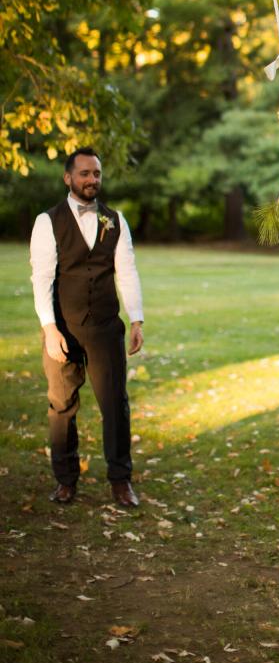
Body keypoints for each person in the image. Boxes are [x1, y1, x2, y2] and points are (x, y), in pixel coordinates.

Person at [29, 148, 144, 508]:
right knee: (62, 406)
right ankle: (65, 480)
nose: (91, 179)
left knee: (115, 404)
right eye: (84, 174)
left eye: (96, 173)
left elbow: (127, 271)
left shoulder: (116, 219)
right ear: (68, 178)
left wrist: (136, 317)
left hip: (106, 328)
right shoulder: (47, 222)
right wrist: (50, 329)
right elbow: (42, 279)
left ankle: (120, 480)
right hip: (63, 328)